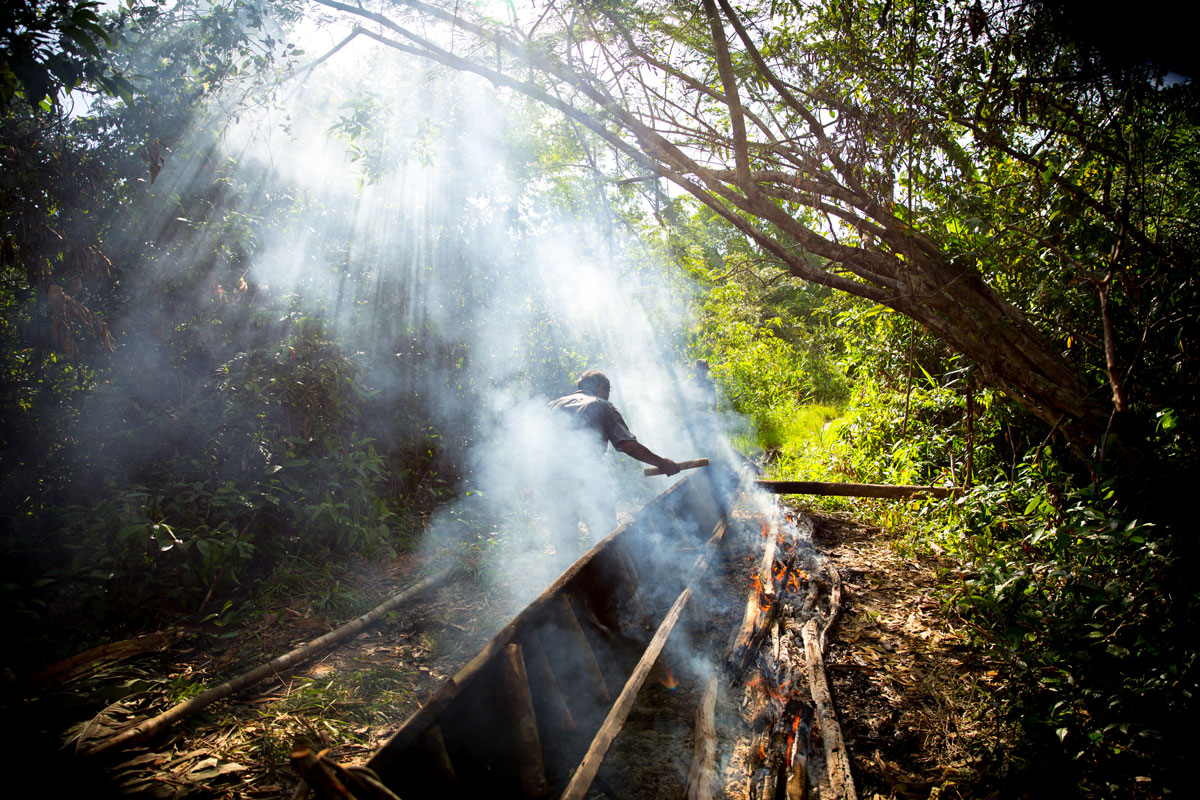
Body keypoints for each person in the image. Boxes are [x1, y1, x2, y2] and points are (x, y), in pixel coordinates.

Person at [544, 370, 680, 556]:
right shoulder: (602, 405)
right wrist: (662, 463)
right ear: (601, 388)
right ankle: (610, 577)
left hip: (554, 480)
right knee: (605, 537)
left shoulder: (553, 406)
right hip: (588, 478)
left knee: (565, 545)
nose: (608, 396)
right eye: (608, 391)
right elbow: (627, 445)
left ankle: (570, 581)